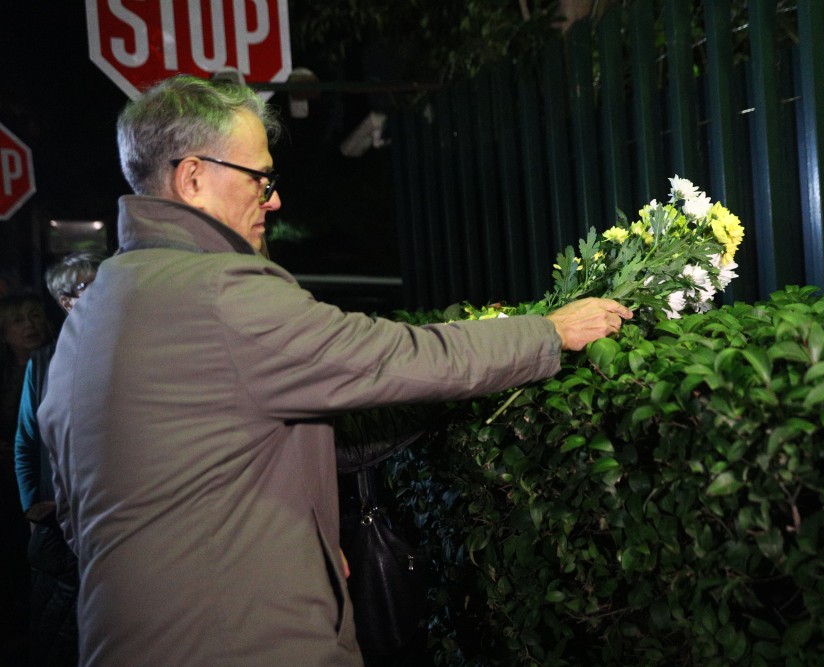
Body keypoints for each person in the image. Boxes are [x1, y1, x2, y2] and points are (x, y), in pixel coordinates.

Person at [38, 74, 632, 667]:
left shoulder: (93, 309)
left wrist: (299, 545)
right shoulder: (221, 293)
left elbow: (83, 499)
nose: (273, 199)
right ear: (193, 177)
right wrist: (549, 331)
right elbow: (393, 357)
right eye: (259, 178)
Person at [14, 251, 103, 666]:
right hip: (57, 514)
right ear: (66, 300)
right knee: (58, 632)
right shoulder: (43, 362)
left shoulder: (127, 347)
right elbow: (27, 440)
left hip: (107, 512)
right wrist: (32, 502)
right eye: (89, 286)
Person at [0, 294, 54, 665]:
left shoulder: (53, 362)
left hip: (41, 480)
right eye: (19, 321)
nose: (30, 325)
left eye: (35, 317)